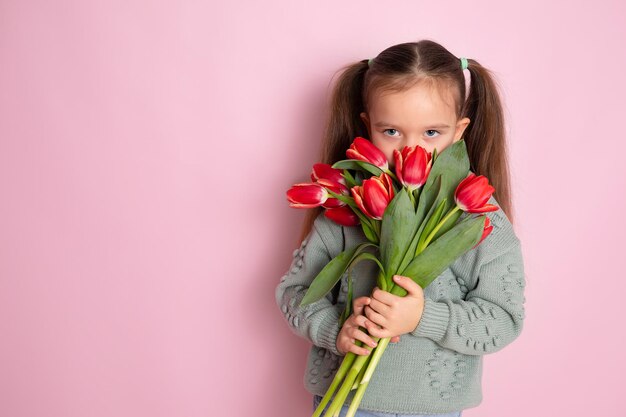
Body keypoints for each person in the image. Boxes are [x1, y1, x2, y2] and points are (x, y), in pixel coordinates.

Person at [275, 39, 526, 417]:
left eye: (431, 133)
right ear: (367, 127)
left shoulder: (480, 219)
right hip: (342, 402)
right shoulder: (348, 207)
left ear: (459, 131)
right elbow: (294, 293)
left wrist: (422, 317)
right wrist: (337, 331)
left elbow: (504, 320)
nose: (411, 151)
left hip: (432, 409)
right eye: (391, 131)